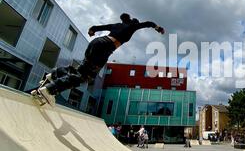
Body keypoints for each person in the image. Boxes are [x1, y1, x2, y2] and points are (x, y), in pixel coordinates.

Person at [36, 13, 165, 105]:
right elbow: (148, 23)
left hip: (96, 43)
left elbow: (96, 28)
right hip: (105, 48)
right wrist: (157, 27)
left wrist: (92, 31)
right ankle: (49, 89)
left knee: (80, 71)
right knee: (84, 77)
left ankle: (53, 75)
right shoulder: (132, 26)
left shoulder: (116, 25)